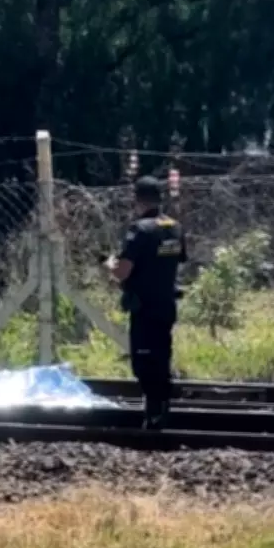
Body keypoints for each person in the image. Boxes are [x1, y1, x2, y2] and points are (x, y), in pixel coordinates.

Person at [105, 176, 187, 430]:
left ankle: (153, 414)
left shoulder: (139, 230)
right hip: (166, 304)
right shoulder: (175, 227)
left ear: (137, 200)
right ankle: (162, 408)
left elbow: (122, 272)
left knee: (143, 362)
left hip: (144, 306)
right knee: (162, 357)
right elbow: (177, 259)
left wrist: (109, 264)